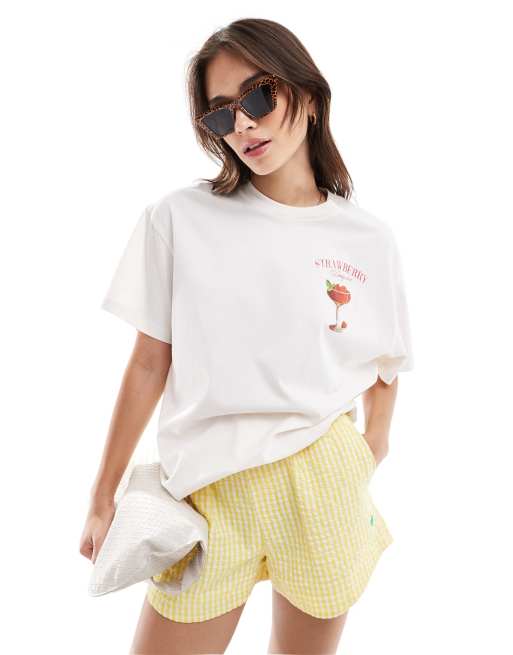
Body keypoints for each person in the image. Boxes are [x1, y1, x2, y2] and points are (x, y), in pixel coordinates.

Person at [79, 17, 414, 655]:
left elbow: (385, 362)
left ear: (307, 95)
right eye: (220, 112)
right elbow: (149, 363)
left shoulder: (367, 238)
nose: (243, 124)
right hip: (208, 492)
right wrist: (103, 495)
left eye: (259, 96)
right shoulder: (179, 218)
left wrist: (371, 448)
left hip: (323, 483)